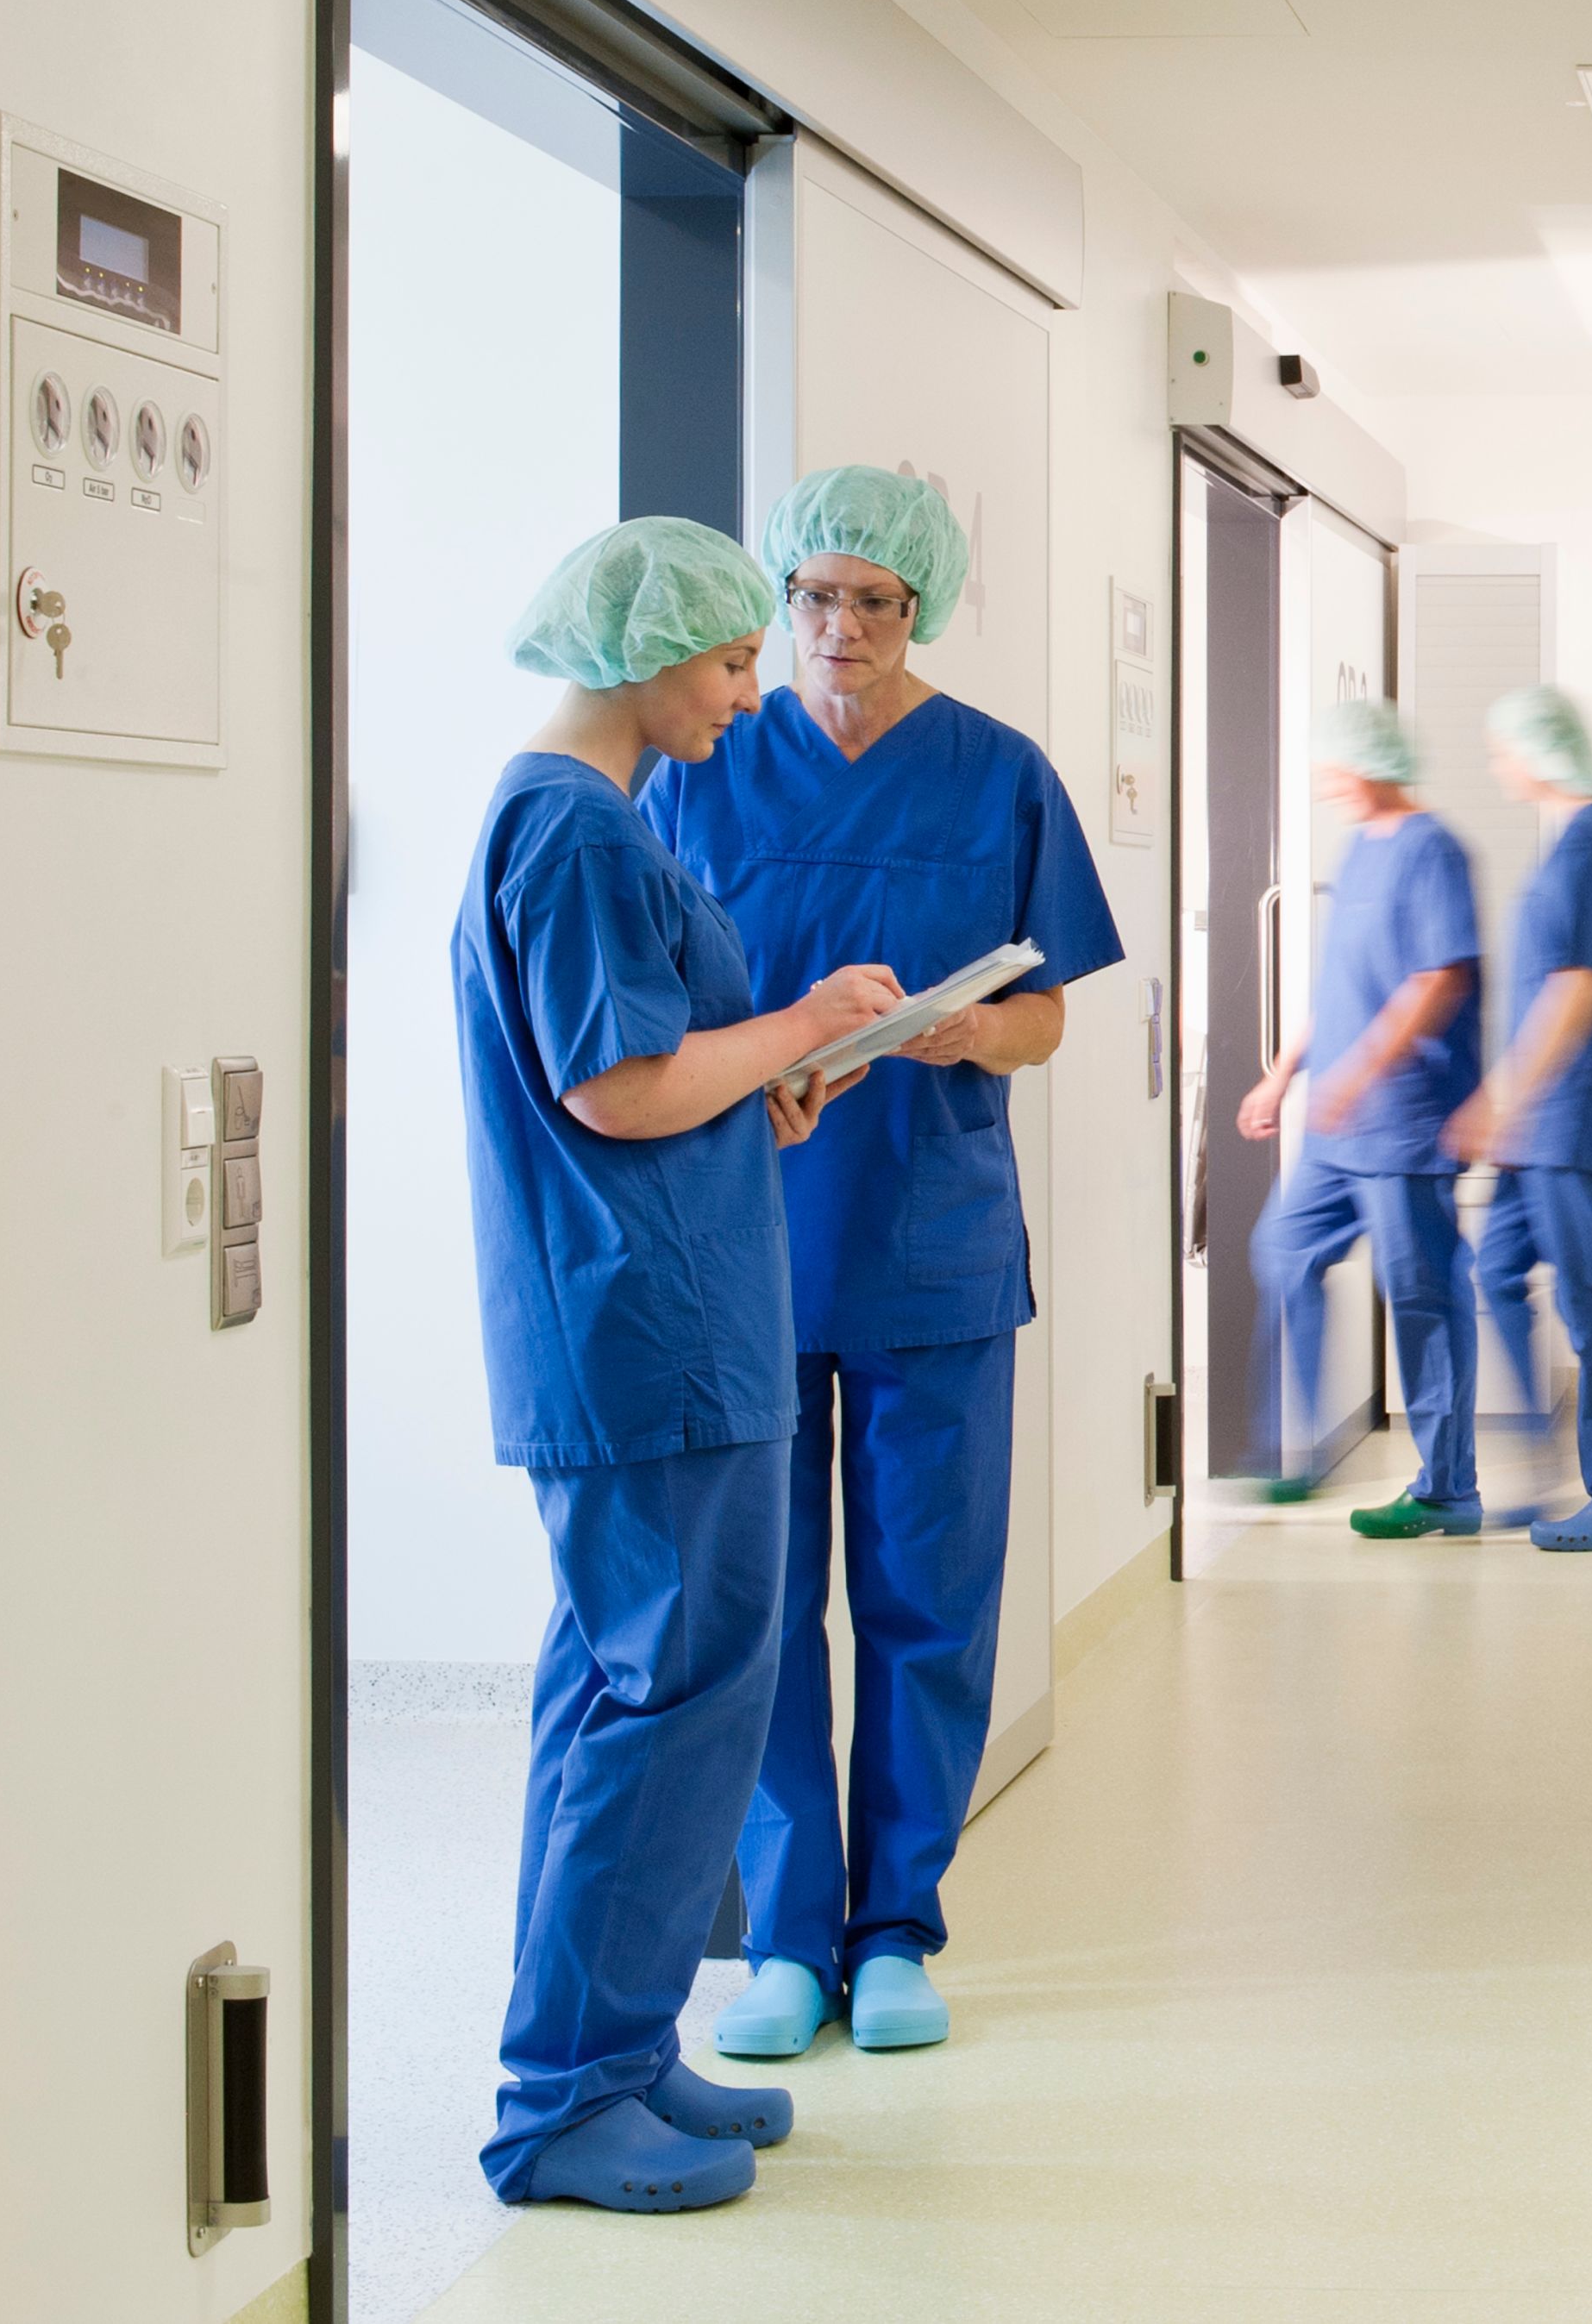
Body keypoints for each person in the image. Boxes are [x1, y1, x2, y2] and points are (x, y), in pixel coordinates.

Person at [642, 465, 1122, 2064]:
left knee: (929, 1597)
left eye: (876, 601)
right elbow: (647, 1005)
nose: (840, 629)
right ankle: (784, 1933)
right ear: (778, 602)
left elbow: (1051, 1010)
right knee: (763, 1605)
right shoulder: (707, 767)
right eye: (816, 598)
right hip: (746, 1242)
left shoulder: (999, 774)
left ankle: (898, 1922)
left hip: (931, 1244)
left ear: (924, 608)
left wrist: (975, 1027)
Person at [455, 518, 901, 2212]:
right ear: (646, 654)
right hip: (645, 1339)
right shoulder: (569, 829)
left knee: (626, 1698)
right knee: (663, 1707)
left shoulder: (588, 822)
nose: (752, 688)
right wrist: (791, 1030)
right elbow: (613, 1090)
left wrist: (771, 1074)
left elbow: (654, 1070)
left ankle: (618, 2054)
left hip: (658, 1317)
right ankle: (563, 2101)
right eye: (730, 660)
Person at [1238, 700, 1489, 1535]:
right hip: (1335, 1125)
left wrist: (1359, 1072)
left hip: (1405, 1119)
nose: (1324, 786)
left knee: (1421, 1297)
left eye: (1332, 769)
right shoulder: (1358, 848)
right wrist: (1281, 1075)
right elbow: (1340, 982)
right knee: (1283, 1252)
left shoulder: (1433, 848)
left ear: (1374, 763)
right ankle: (1298, 1447)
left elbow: (1436, 980)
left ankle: (1447, 1488)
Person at [1444, 686, 1592, 1551]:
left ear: (1541, 751)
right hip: (1539, 1131)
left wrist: (1498, 1096)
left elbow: (1576, 990)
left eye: (1505, 749)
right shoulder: (1570, 843)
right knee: (1493, 1274)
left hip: (1570, 1123)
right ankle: (1545, 1470)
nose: (1499, 765)